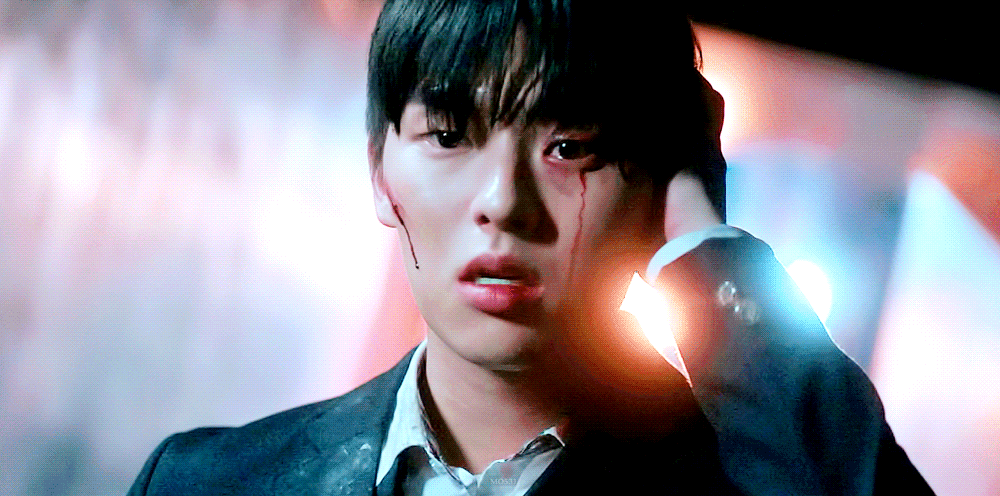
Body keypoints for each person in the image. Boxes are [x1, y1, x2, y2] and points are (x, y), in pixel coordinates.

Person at [129, 1, 933, 494]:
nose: (502, 204)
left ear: (660, 178)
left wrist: (703, 244)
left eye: (570, 147)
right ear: (380, 174)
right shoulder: (205, 481)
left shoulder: (759, 479)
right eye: (450, 136)